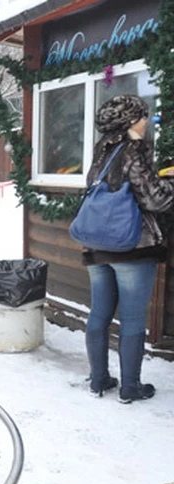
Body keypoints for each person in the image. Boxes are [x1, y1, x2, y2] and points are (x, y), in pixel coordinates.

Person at [82, 94, 173, 403]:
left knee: (99, 313)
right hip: (131, 247)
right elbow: (154, 199)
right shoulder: (134, 150)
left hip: (96, 246)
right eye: (141, 116)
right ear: (128, 122)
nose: (146, 121)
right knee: (133, 320)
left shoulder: (101, 151)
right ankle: (130, 388)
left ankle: (98, 380)